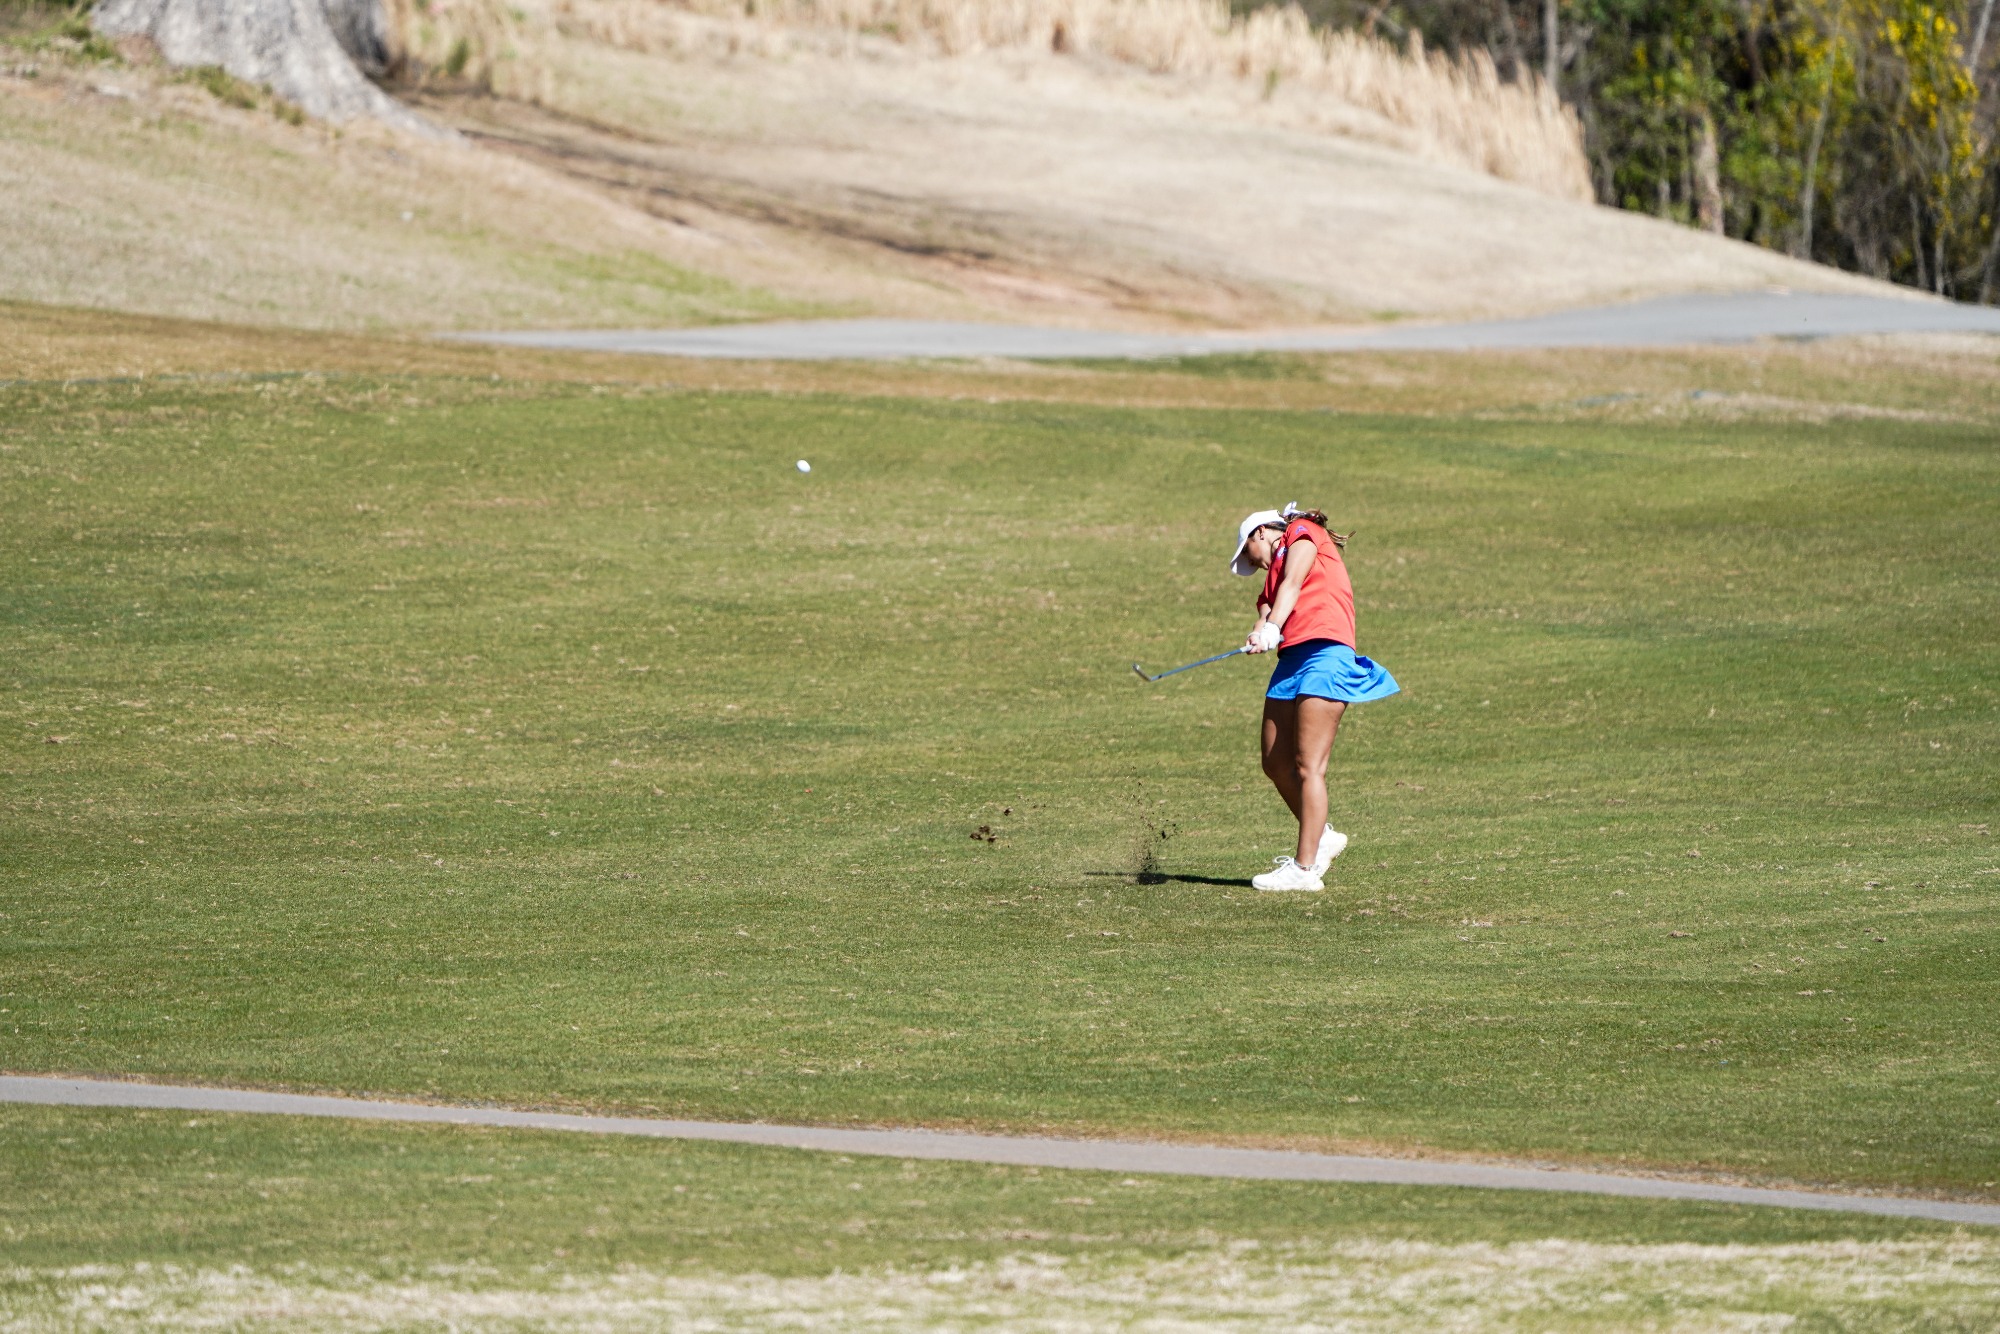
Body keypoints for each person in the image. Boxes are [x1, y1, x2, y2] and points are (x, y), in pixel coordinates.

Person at [1231, 503, 1399, 892]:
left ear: (1261, 532)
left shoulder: (1302, 532)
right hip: (1291, 661)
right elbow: (1267, 608)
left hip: (1325, 652)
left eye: (1248, 553)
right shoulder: (1270, 579)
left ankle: (1305, 871)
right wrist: (1259, 632)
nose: (1251, 563)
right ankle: (1322, 836)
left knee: (1309, 765)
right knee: (1275, 761)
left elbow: (1294, 582)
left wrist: (1273, 626)